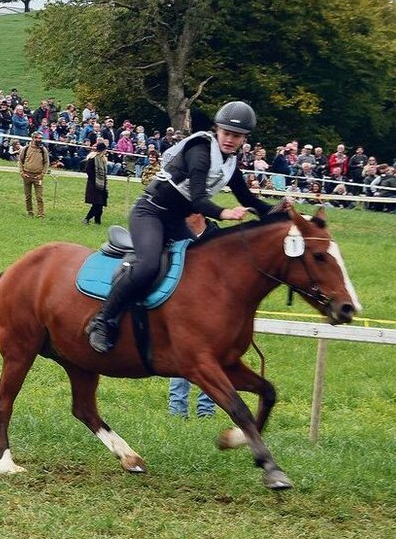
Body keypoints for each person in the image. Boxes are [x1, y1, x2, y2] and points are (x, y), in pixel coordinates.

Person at [87, 101, 275, 353]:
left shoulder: (230, 162)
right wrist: (224, 213)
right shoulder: (200, 151)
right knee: (149, 265)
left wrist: (280, 214)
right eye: (226, 133)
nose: (230, 139)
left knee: (201, 266)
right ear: (217, 130)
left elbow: (248, 199)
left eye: (237, 136)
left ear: (244, 139)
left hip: (175, 220)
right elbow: (198, 199)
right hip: (150, 213)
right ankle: (102, 321)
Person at [18, 131, 50, 217]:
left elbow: (46, 163)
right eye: (38, 138)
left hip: (38, 176)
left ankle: (41, 214)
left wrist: (42, 174)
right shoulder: (26, 148)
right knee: (28, 196)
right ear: (33, 138)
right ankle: (30, 212)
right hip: (27, 175)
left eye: (41, 138)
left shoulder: (43, 150)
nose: (40, 140)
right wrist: (22, 172)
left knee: (39, 197)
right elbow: (20, 161)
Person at [83, 139, 109, 225]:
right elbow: (88, 170)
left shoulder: (103, 159)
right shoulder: (93, 158)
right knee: (97, 204)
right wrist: (94, 179)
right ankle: (87, 218)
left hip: (101, 184)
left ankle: (97, 221)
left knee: (100, 204)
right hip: (94, 185)